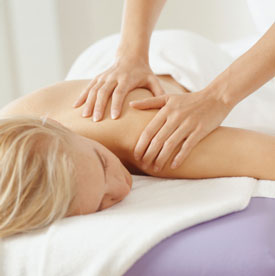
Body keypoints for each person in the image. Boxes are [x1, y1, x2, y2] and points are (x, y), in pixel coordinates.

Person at [1, 69, 275, 238]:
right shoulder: (11, 130)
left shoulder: (155, 141)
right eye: (102, 203)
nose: (121, 188)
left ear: (64, 127)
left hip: (176, 64)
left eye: (104, 163)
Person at [74, 0, 275, 173]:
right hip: (126, 53)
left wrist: (217, 97)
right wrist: (130, 54)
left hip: (181, 58)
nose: (120, 190)